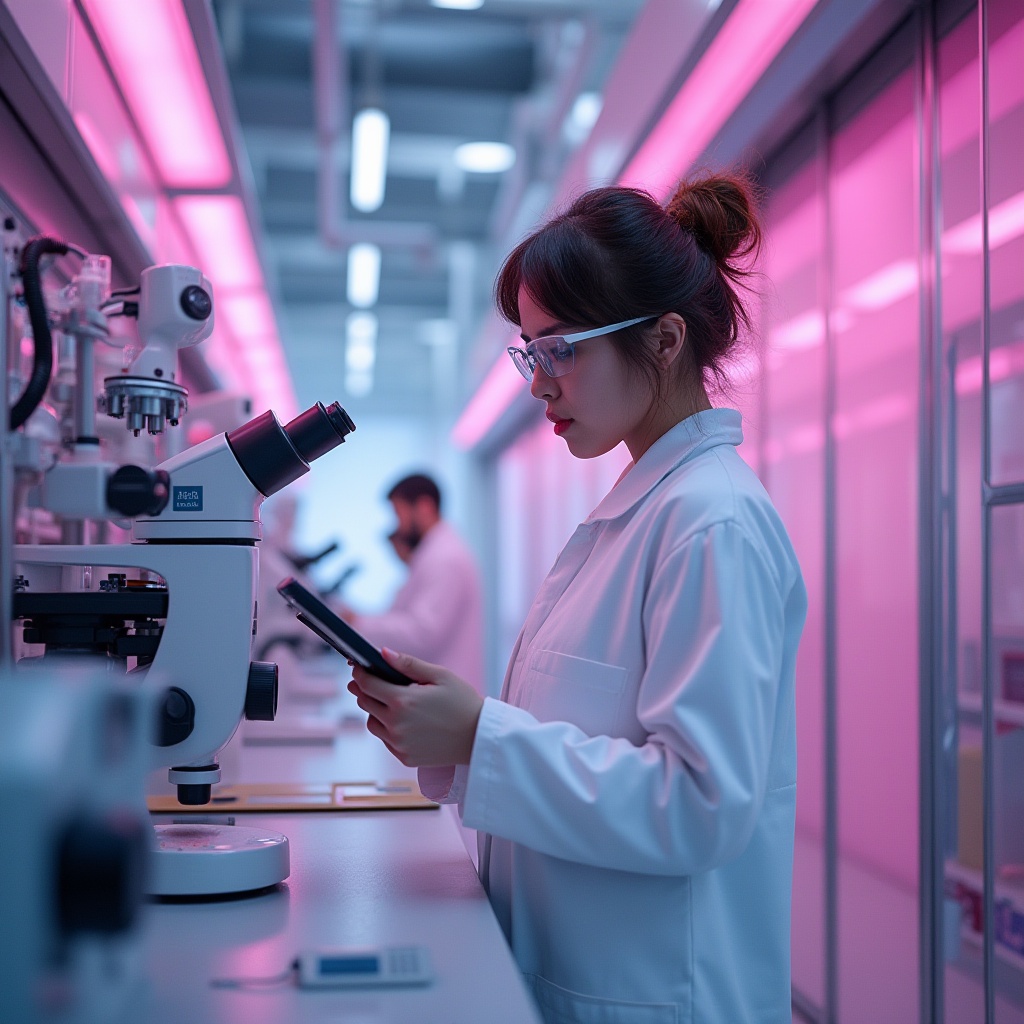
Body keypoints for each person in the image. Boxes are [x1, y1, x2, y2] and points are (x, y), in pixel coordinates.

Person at [348, 172, 807, 1024]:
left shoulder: (713, 524)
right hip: (581, 974)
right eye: (530, 351)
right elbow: (585, 739)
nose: (539, 384)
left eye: (561, 348)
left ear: (666, 341)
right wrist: (453, 737)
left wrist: (482, 735)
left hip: (663, 995)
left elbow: (700, 806)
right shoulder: (639, 508)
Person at [346, 473, 485, 695]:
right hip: (436, 697)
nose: (397, 526)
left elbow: (423, 633)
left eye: (398, 513)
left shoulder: (445, 558)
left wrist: (357, 622)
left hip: (445, 703)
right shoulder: (431, 554)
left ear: (424, 507)